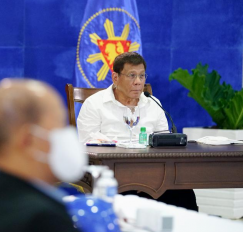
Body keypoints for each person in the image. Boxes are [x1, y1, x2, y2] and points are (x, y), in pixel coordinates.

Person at [0, 79, 116, 232]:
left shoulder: (3, 195)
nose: (67, 137)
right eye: (59, 127)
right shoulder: (41, 221)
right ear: (29, 140)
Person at [77, 52, 198, 211]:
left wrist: (148, 177)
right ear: (115, 78)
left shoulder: (153, 104)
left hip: (153, 175)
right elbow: (87, 143)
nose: (138, 82)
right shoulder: (94, 104)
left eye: (142, 76)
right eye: (132, 76)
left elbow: (164, 143)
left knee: (184, 192)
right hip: (112, 176)